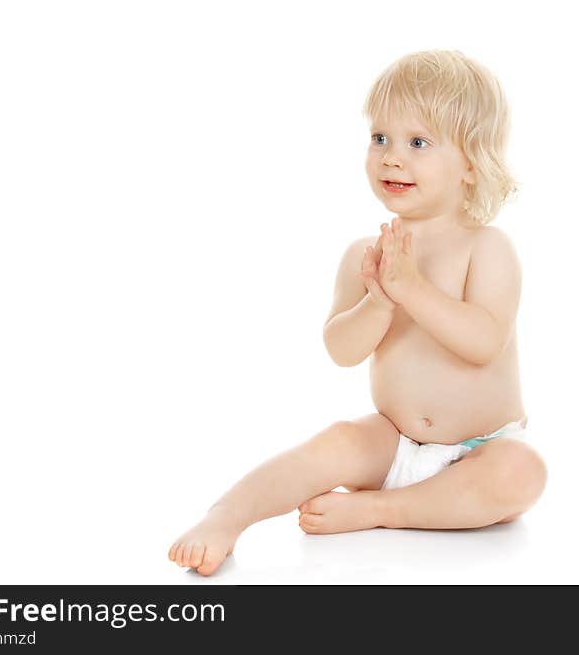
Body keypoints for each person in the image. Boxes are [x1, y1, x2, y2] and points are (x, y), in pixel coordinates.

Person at [168, 49, 547, 576]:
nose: (392, 157)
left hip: (479, 449)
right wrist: (379, 300)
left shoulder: (487, 248)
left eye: (418, 142)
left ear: (470, 162)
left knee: (521, 473)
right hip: (393, 441)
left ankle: (381, 511)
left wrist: (412, 289)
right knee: (338, 441)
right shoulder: (365, 256)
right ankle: (227, 515)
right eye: (380, 138)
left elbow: (483, 342)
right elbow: (341, 350)